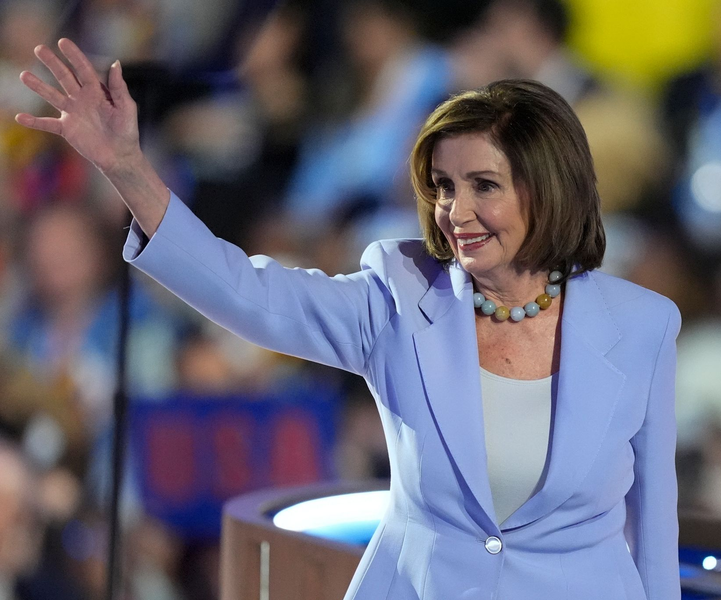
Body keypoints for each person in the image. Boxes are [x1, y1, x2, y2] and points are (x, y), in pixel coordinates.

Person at [16, 38, 681, 600]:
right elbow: (247, 293)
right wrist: (128, 167)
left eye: (483, 185)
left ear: (547, 186)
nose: (455, 211)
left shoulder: (644, 326)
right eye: (444, 187)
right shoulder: (397, 298)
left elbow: (652, 526)